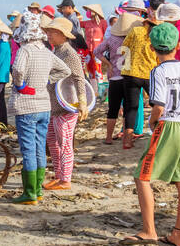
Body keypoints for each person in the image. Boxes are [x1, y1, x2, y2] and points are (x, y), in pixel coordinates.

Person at [128, 23, 180, 246]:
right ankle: (178, 234)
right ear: (178, 46)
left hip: (167, 125)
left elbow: (158, 106)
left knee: (142, 176)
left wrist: (153, 124)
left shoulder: (158, 71)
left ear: (152, 48)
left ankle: (149, 230)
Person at [9, 12, 71, 204]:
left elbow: (18, 69)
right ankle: (37, 190)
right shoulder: (46, 51)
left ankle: (30, 193)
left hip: (27, 105)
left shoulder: (25, 50)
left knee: (28, 149)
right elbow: (65, 70)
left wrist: (20, 85)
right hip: (44, 104)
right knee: (38, 148)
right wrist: (45, 81)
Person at [42, 17, 88, 190]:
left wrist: (82, 102)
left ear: (62, 34)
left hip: (67, 105)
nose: (49, 35)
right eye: (48, 32)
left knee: (65, 142)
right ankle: (59, 175)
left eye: (52, 32)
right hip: (54, 105)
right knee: (52, 141)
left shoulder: (70, 53)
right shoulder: (56, 51)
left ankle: (65, 179)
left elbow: (79, 79)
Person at [118, 10, 159, 149]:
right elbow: (159, 57)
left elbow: (123, 49)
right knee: (156, 104)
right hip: (149, 74)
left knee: (131, 107)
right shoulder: (156, 36)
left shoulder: (135, 31)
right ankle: (158, 135)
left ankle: (127, 140)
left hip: (131, 73)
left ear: (145, 22)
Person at [94, 12, 131, 145]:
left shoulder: (111, 40)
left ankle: (108, 138)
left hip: (115, 77)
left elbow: (96, 51)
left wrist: (108, 64)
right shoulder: (131, 38)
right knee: (128, 109)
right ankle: (127, 138)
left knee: (113, 109)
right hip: (128, 77)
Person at [80, 4, 107, 79]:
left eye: (90, 10)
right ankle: (93, 88)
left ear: (95, 12)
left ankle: (100, 88)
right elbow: (77, 23)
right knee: (90, 70)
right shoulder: (87, 23)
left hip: (98, 49)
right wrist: (78, 16)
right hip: (88, 49)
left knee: (97, 69)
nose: (88, 12)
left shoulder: (103, 22)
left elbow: (107, 35)